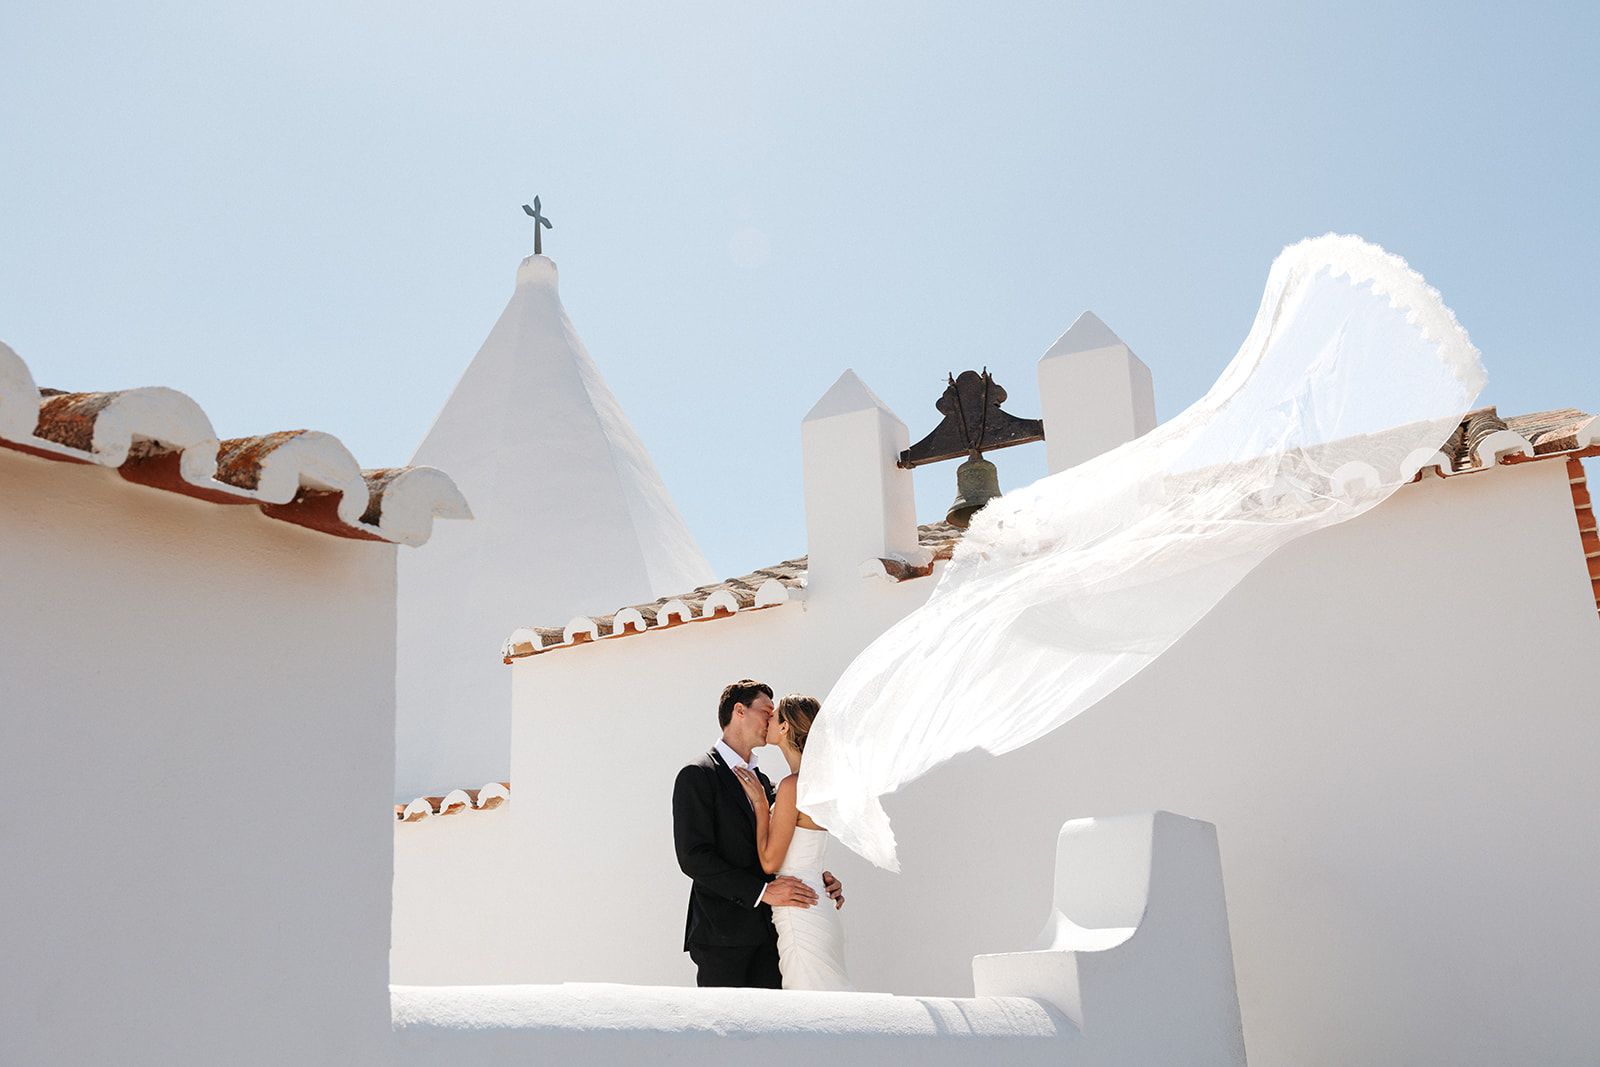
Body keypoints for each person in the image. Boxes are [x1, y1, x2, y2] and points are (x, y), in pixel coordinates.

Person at [672, 680, 845, 988]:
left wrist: (815, 876)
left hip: (773, 933)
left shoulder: (766, 784)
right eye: (766, 710)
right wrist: (763, 892)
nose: (771, 718)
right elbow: (693, 858)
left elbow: (780, 846)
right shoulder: (697, 775)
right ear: (740, 710)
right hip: (722, 937)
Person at [732, 694, 853, 991]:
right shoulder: (818, 783)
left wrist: (761, 804)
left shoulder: (792, 786)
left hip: (799, 909)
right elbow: (807, 846)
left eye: (772, 717)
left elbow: (771, 862)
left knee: (811, 1005)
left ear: (785, 728)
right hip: (815, 901)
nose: (766, 722)